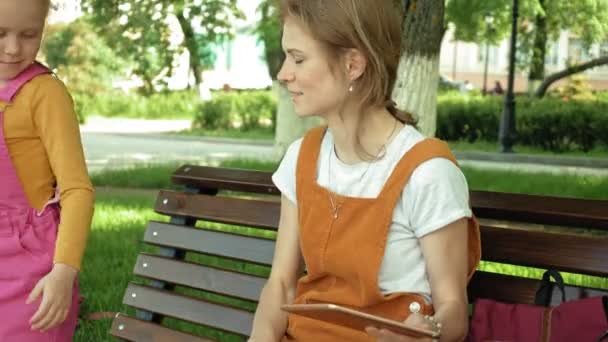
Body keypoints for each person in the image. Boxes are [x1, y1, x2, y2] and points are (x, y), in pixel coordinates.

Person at [249, 1, 481, 341]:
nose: (284, 73)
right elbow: (281, 284)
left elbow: (454, 312)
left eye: (298, 59)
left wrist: (428, 332)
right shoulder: (302, 158)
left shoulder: (427, 172)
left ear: (353, 64)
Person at [0, 0, 94, 340]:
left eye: (29, 34)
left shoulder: (45, 93)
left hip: (32, 263)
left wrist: (64, 270)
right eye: (0, 33)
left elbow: (77, 190)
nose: (13, 49)